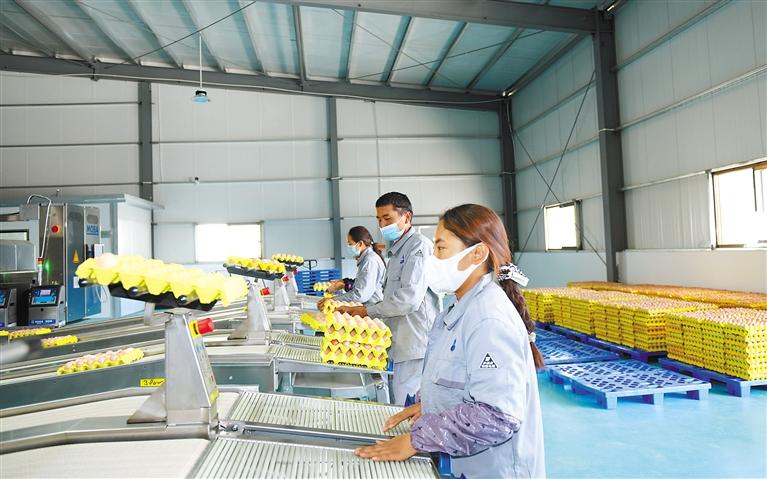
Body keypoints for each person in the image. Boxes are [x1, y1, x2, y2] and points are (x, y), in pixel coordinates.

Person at [354, 204, 546, 479]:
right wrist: (432, 405)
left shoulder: (488, 319)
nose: (433, 258)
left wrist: (417, 440)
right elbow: (461, 379)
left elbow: (497, 415)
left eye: (441, 248)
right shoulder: (458, 308)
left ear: (477, 253)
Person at [336, 192, 439, 405]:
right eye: (379, 219)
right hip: (399, 340)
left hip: (414, 341)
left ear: (406, 217)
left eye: (387, 218)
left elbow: (408, 299)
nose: (382, 225)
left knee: (406, 403)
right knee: (398, 399)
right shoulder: (397, 249)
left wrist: (367, 311)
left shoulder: (418, 246)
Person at [318, 226, 385, 308]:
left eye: (350, 244)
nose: (348, 247)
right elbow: (362, 283)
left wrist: (333, 300)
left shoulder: (369, 261)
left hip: (373, 308)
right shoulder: (367, 258)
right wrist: (344, 282)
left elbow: (360, 295)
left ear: (360, 244)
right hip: (370, 306)